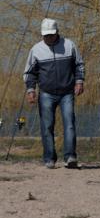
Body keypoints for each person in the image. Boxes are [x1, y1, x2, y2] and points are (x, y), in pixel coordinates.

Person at [23, 18, 85, 169]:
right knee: (47, 126)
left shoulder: (69, 45)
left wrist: (79, 81)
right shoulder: (36, 49)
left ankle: (70, 157)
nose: (48, 38)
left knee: (69, 124)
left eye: (51, 35)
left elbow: (79, 64)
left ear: (57, 32)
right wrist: (31, 90)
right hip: (46, 93)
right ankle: (49, 158)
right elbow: (29, 72)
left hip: (67, 93)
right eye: (46, 35)